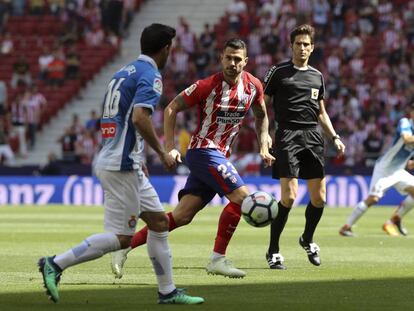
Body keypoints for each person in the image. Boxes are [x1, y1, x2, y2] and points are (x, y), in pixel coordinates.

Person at [37, 23, 204, 305]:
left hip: (121, 160)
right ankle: (55, 263)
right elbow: (139, 118)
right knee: (122, 238)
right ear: (166, 49)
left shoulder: (121, 72)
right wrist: (164, 151)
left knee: (159, 222)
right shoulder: (151, 75)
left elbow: (118, 120)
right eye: (170, 49)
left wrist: (137, 156)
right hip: (121, 165)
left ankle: (167, 291)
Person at [110, 38, 274, 279]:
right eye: (228, 57)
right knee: (243, 199)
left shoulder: (254, 87)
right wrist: (171, 147)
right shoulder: (206, 86)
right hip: (203, 151)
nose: (232, 63)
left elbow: (262, 115)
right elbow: (171, 109)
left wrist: (264, 144)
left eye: (237, 59)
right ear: (221, 58)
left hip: (219, 156)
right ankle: (217, 259)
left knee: (181, 216)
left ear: (245, 62)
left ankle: (125, 245)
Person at [263, 24, 345, 270]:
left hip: (313, 136)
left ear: (312, 47)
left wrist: (334, 136)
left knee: (319, 198)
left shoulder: (317, 76)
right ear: (291, 46)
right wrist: (265, 134)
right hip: (287, 135)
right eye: (298, 43)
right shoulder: (278, 72)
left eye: (306, 44)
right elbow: (262, 107)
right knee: (288, 197)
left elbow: (321, 112)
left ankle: (307, 239)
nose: (302, 47)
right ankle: (273, 250)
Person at [339, 104, 414, 237]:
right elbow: (407, 139)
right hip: (384, 168)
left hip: (398, 171)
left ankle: (393, 220)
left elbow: (408, 157)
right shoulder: (405, 122)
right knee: (373, 199)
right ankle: (346, 227)